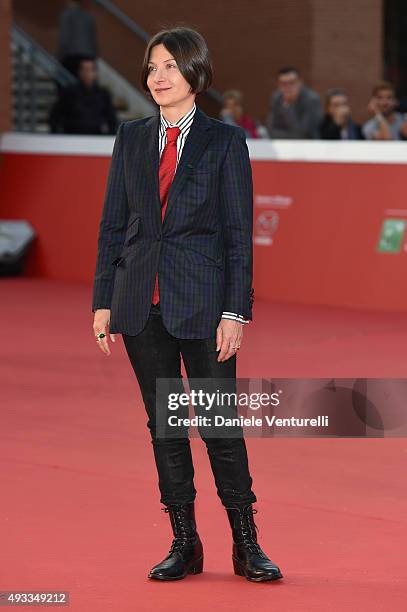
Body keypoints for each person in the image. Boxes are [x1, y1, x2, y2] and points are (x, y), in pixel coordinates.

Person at [91, 26, 283, 583]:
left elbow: (237, 232)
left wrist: (236, 312)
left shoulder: (224, 141)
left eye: (170, 67)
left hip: (204, 305)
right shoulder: (130, 137)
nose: (158, 77)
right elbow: (112, 225)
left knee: (221, 426)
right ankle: (185, 543)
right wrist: (103, 299)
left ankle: (247, 545)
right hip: (139, 304)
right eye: (152, 68)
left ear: (195, 73)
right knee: (165, 428)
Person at [49, 58, 118, 134]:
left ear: (95, 73)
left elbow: (112, 119)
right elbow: (55, 116)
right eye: (84, 70)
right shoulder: (69, 93)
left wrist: (108, 135)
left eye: (90, 70)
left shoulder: (103, 94)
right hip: (72, 136)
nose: (87, 73)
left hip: (96, 137)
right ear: (80, 72)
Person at [267, 66, 323, 139]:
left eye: (292, 83)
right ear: (278, 85)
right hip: (282, 145)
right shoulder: (276, 98)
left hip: (309, 146)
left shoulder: (312, 100)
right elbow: (270, 131)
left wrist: (287, 106)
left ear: (300, 82)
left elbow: (303, 134)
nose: (288, 87)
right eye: (283, 84)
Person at [57, 0, 98, 78]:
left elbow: (64, 38)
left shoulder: (66, 15)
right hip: (88, 56)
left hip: (71, 56)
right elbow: (93, 40)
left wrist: (59, 55)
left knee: (66, 81)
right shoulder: (88, 16)